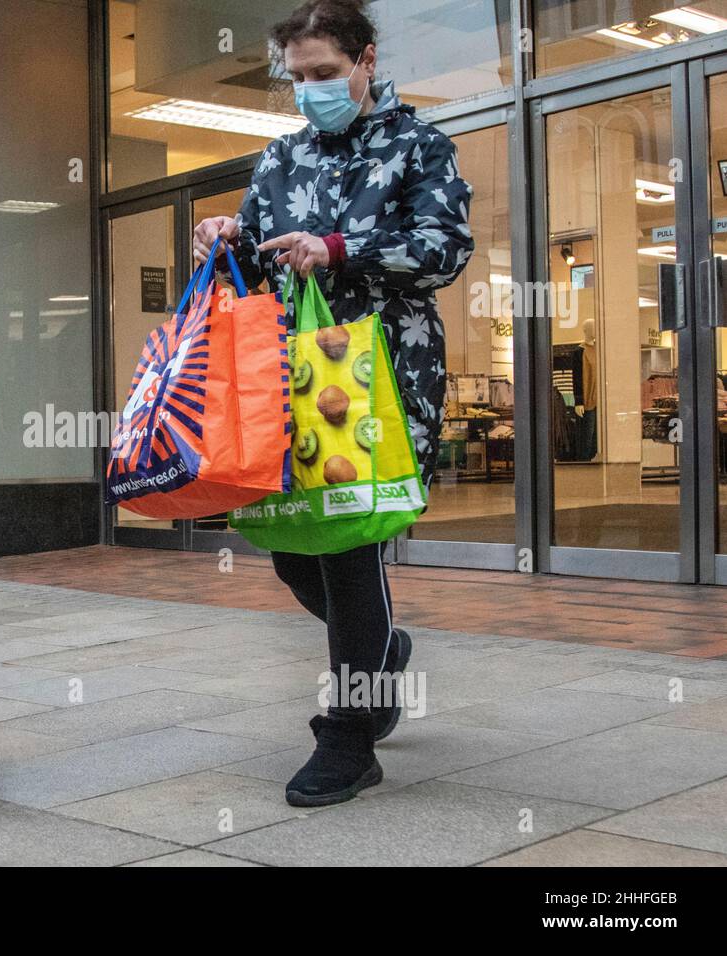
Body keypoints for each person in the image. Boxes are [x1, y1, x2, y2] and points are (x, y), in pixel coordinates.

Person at [194, 0, 473, 807]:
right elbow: (251, 263)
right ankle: (382, 652)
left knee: (350, 551)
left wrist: (340, 248)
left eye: (325, 73)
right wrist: (227, 241)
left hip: (383, 378)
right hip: (293, 380)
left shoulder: (420, 146)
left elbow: (443, 248)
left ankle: (349, 735)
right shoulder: (280, 159)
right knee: (292, 549)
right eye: (299, 77)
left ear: (366, 61)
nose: (311, 88)